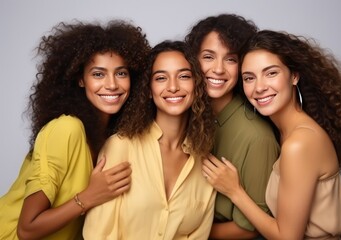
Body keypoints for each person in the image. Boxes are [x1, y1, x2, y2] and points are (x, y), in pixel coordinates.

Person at [202, 30, 341, 239]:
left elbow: (287, 237)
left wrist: (235, 191)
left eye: (271, 73)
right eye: (249, 78)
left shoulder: (300, 143)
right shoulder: (287, 132)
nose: (259, 87)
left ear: (294, 76)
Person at [0, 20, 150, 240]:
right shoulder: (67, 128)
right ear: (81, 79)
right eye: (98, 74)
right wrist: (88, 197)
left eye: (121, 73)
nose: (111, 85)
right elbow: (27, 229)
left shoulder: (111, 137)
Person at [83, 40, 216, 239]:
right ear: (148, 90)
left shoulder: (205, 164)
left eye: (184, 76)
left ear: (197, 87)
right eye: (161, 78)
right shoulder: (121, 147)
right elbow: (97, 234)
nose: (173, 87)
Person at [185, 14, 280, 239]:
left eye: (230, 59)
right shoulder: (183, 116)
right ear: (193, 60)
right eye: (208, 57)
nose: (218, 69)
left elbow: (249, 229)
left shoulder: (257, 137)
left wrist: (184, 234)